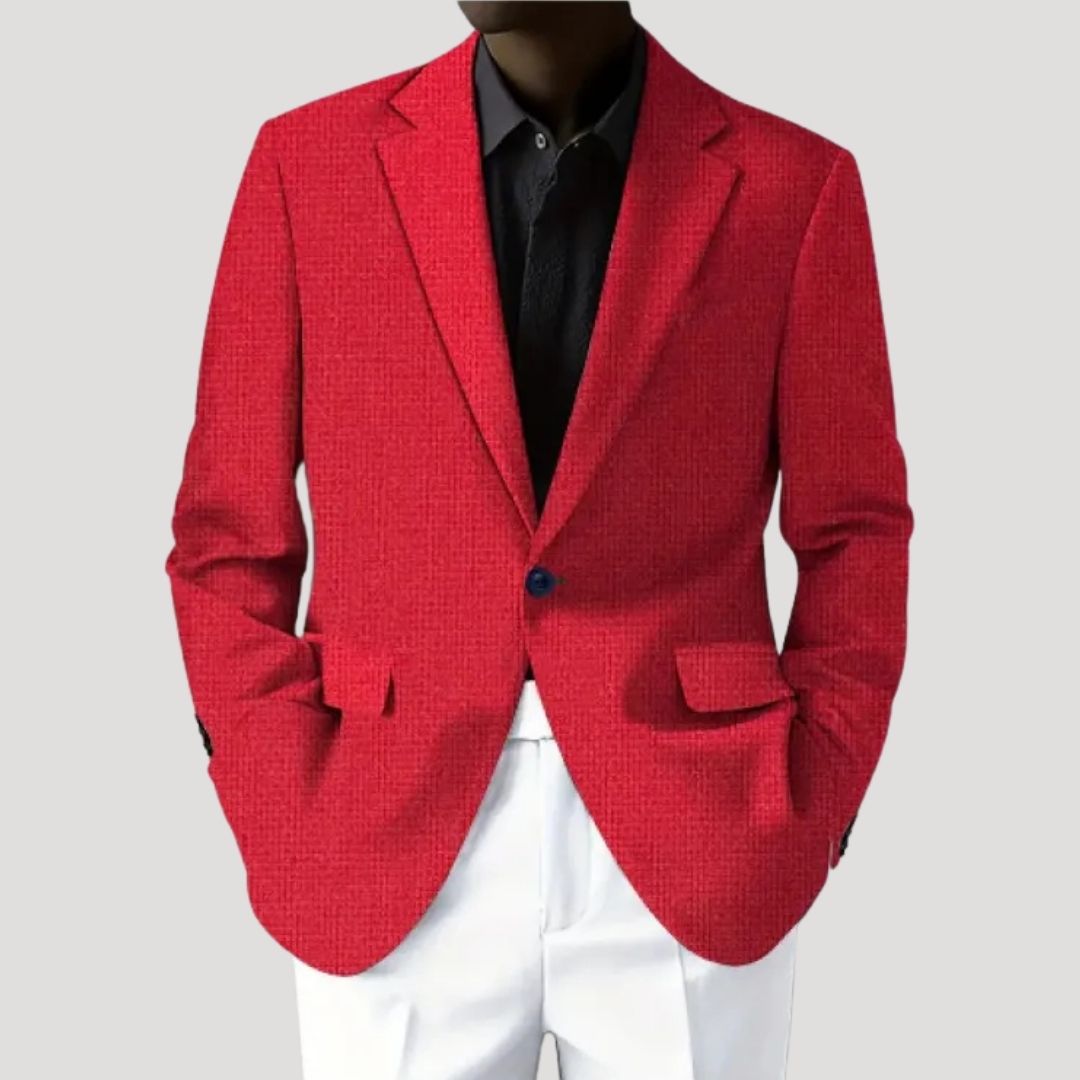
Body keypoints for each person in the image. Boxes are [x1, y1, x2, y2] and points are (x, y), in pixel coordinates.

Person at [164, 2, 913, 1076]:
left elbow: (856, 531)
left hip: (699, 833)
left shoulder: (793, 186)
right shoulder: (308, 166)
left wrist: (811, 797)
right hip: (381, 829)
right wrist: (279, 800)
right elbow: (226, 535)